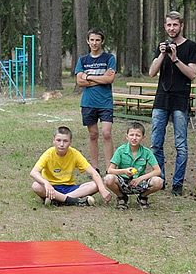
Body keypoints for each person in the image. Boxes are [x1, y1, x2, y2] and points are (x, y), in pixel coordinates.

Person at [148, 11, 196, 196]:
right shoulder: (161, 47)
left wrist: (175, 58)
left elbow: (192, 74)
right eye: (169, 25)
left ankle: (177, 184)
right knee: (156, 143)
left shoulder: (191, 47)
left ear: (181, 26)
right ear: (165, 26)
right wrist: (162, 55)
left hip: (180, 99)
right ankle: (159, 179)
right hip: (161, 98)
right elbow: (152, 72)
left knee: (180, 145)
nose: (172, 28)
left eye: (175, 25)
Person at [30, 126, 111, 206]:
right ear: (53, 140)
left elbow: (93, 173)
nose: (61, 144)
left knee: (95, 185)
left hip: (70, 188)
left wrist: (102, 189)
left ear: (70, 142)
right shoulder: (48, 154)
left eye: (65, 141)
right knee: (36, 186)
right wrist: (46, 183)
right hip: (52, 188)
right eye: (58, 140)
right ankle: (73, 201)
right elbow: (34, 172)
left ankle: (58, 200)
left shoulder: (74, 154)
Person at [74, 28, 117, 171]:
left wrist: (89, 77)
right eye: (92, 40)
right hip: (88, 103)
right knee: (93, 135)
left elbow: (110, 78)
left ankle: (110, 168)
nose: (94, 43)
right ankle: (95, 168)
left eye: (97, 40)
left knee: (106, 133)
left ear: (102, 41)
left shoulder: (109, 58)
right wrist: (101, 79)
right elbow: (79, 82)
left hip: (105, 102)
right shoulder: (83, 60)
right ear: (87, 41)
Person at [104, 121, 164, 209]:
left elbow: (158, 171)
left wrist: (141, 178)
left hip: (139, 181)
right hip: (123, 181)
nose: (134, 138)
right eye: (131, 135)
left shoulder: (146, 152)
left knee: (158, 182)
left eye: (138, 135)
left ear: (143, 138)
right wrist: (124, 171)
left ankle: (143, 197)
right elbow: (110, 170)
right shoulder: (121, 150)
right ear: (126, 136)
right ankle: (121, 197)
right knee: (108, 179)